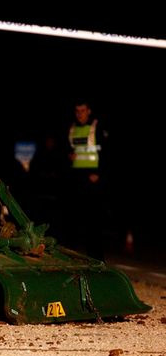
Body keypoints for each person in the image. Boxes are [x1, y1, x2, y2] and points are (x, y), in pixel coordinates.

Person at [66, 100, 109, 260]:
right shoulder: (72, 128)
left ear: (89, 111)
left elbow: (106, 153)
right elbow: (69, 151)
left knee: (94, 223)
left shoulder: (97, 127)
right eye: (77, 111)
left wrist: (99, 173)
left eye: (82, 110)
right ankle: (73, 258)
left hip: (93, 180)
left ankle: (97, 260)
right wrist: (69, 157)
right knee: (74, 221)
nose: (79, 114)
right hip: (76, 178)